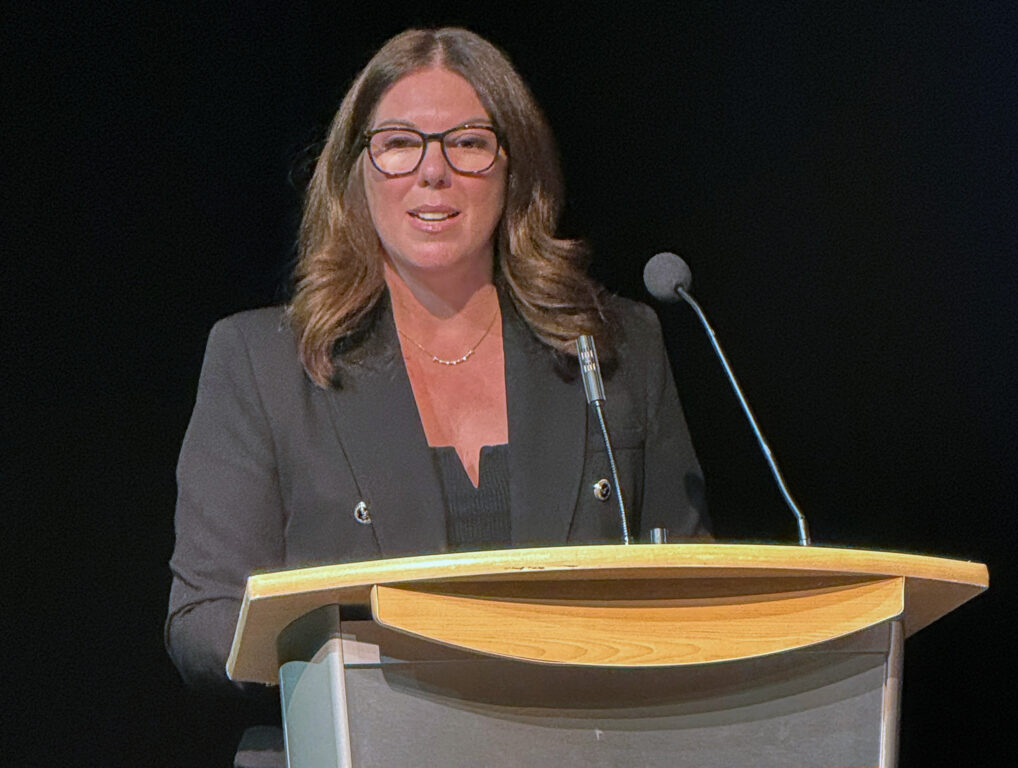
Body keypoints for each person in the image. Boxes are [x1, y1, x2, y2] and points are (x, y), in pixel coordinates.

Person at [166, 27, 709, 703]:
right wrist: (353, 658)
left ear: (515, 168)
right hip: (356, 737)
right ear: (356, 171)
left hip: (580, 738)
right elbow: (205, 620)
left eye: (468, 143)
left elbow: (691, 591)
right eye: (399, 143)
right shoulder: (262, 363)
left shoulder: (615, 346)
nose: (433, 172)